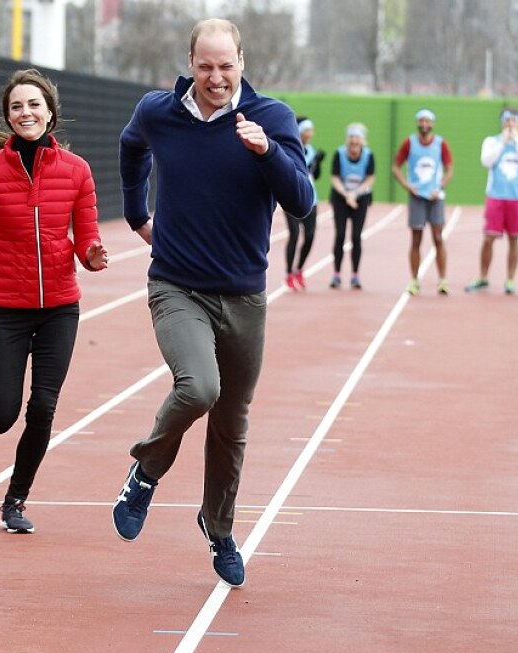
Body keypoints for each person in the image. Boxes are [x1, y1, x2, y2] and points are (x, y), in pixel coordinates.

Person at [113, 18, 313, 588]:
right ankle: (145, 472)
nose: (216, 77)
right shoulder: (161, 111)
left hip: (244, 295)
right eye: (206, 66)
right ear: (191, 64)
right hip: (177, 284)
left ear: (242, 63)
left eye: (226, 66)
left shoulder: (270, 118)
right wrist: (135, 213)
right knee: (199, 387)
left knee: (232, 420)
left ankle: (218, 527)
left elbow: (301, 201)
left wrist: (267, 151)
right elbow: (132, 149)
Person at [0, 69, 108, 534]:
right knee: (1, 416)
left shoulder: (76, 170)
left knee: (42, 406)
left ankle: (15, 498)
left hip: (61, 306)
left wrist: (93, 255)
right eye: (17, 106)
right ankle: (8, 449)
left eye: (34, 105)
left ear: (50, 113)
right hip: (7, 305)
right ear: (8, 116)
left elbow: (86, 235)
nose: (26, 113)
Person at [466, 106, 518, 295]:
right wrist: (503, 141)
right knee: (489, 237)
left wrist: (516, 142)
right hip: (496, 196)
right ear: (502, 122)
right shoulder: (492, 141)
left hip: (517, 198)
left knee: (514, 238)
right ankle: (483, 276)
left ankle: (510, 279)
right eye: (507, 120)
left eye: (513, 120)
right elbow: (486, 161)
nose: (510, 124)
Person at [391, 108, 454, 295]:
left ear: (432, 124)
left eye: (428, 121)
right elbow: (395, 166)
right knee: (416, 239)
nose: (424, 125)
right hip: (417, 196)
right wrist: (407, 186)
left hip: (435, 197)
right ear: (418, 123)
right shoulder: (409, 143)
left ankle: (443, 280)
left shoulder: (440, 144)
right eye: (421, 121)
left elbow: (450, 169)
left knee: (438, 237)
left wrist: (440, 187)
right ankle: (414, 280)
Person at [330, 123, 376, 289]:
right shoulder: (339, 153)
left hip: (360, 198)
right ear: (347, 139)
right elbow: (334, 177)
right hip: (341, 197)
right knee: (340, 235)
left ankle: (355, 275)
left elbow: (370, 178)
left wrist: (355, 194)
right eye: (352, 137)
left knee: (356, 236)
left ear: (363, 140)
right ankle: (336, 274)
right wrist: (346, 194)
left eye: (358, 138)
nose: (354, 141)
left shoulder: (369, 155)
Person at [285, 116, 324, 291]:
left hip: (311, 198)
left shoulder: (311, 151)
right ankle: (288, 273)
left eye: (311, 131)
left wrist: (318, 163)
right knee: (294, 233)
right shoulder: (291, 148)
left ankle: (299, 269)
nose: (309, 134)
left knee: (309, 235)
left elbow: (314, 175)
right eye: (306, 130)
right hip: (292, 196)